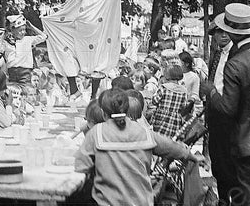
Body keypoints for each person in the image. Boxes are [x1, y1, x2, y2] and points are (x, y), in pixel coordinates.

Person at [42, 0, 153, 100]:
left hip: (99, 31)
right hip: (79, 31)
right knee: (65, 51)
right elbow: (68, 6)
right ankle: (74, 89)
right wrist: (53, 17)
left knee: (98, 63)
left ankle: (94, 95)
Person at [75, 88, 203, 206]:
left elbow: (81, 167)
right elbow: (175, 149)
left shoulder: (96, 133)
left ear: (103, 113)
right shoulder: (144, 132)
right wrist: (191, 156)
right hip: (142, 201)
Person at [201, 3, 250, 205]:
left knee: (242, 191)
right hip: (243, 136)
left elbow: (228, 108)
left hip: (242, 138)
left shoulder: (237, 62)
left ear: (230, 32)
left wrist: (212, 92)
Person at [0, 15, 47, 84]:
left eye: (24, 30)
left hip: (25, 72)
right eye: (20, 30)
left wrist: (31, 27)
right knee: (14, 91)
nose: (23, 32)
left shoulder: (28, 40)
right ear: (13, 30)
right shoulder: (6, 42)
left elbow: (44, 36)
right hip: (12, 73)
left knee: (26, 90)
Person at [149, 65, 188, 138]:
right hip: (175, 119)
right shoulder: (184, 90)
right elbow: (184, 106)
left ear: (167, 75)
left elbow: (155, 101)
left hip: (161, 117)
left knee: (159, 138)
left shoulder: (164, 87)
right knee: (170, 139)